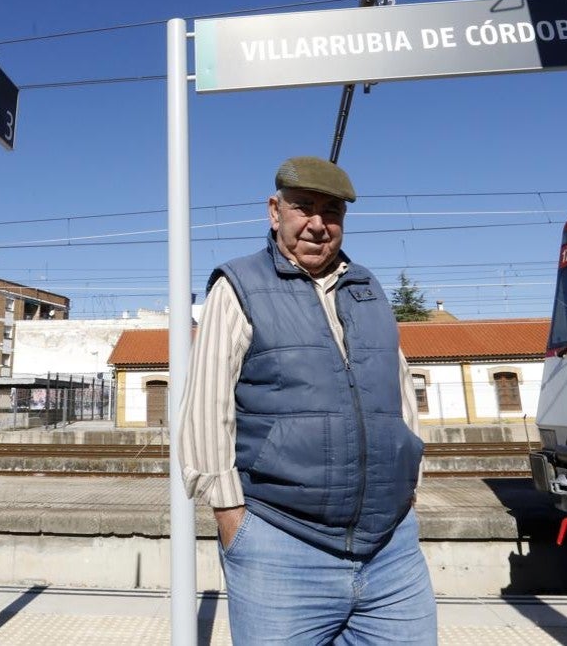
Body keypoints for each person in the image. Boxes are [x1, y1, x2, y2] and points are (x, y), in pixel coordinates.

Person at [178, 156, 436, 644]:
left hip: (391, 552)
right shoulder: (238, 287)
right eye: (304, 208)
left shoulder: (367, 288)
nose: (318, 224)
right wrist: (233, 520)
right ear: (275, 211)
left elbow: (399, 391)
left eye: (332, 211)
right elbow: (205, 411)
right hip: (280, 547)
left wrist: (410, 485)